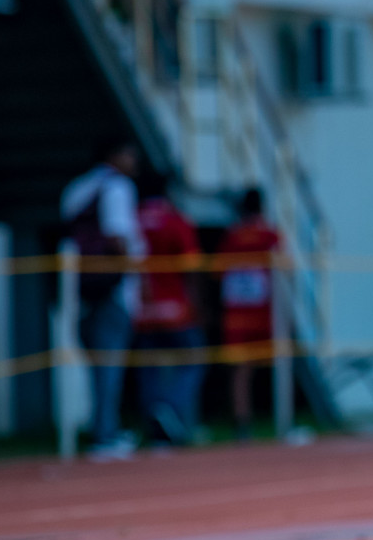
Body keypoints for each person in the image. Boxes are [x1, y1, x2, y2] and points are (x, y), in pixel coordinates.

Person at [61, 137, 144, 461]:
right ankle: (105, 434)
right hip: (111, 286)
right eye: (129, 154)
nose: (134, 162)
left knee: (95, 361)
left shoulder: (76, 189)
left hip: (79, 284)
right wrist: (132, 272)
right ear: (114, 155)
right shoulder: (117, 187)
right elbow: (116, 234)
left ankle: (102, 427)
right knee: (110, 360)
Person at [134, 172, 204, 447]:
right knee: (193, 361)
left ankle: (155, 425)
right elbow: (191, 269)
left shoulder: (132, 218)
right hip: (176, 308)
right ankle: (171, 410)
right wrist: (198, 305)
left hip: (143, 309)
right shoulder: (176, 221)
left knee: (147, 369)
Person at [218, 187, 282, 439]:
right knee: (276, 365)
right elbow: (284, 273)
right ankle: (278, 416)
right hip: (263, 311)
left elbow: (219, 273)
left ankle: (243, 421)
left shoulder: (232, 236)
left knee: (241, 370)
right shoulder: (269, 234)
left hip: (237, 314)